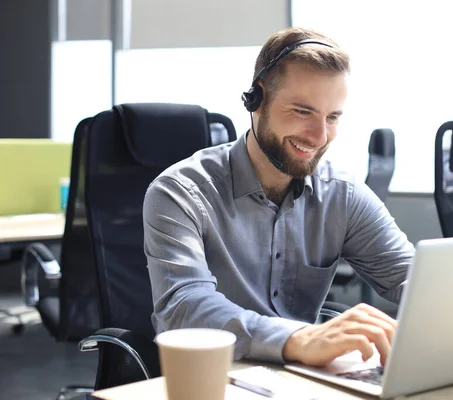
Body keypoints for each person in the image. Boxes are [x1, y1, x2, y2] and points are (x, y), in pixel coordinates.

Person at [143, 27, 415, 368]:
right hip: (206, 378)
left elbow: (412, 278)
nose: (319, 136)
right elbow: (184, 306)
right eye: (302, 111)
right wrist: (297, 339)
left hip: (298, 378)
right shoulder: (180, 192)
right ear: (256, 101)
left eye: (332, 117)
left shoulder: (343, 196)